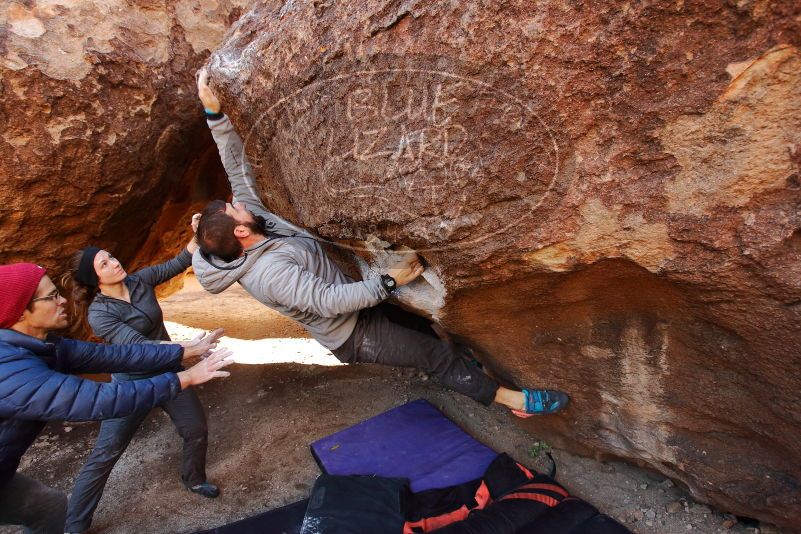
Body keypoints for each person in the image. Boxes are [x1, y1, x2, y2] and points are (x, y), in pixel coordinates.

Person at [192, 70, 569, 417]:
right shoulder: (269, 274)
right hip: (353, 334)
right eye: (234, 210)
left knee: (429, 335)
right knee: (434, 356)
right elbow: (327, 301)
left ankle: (469, 372)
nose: (239, 203)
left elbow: (237, 171)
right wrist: (389, 282)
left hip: (360, 301)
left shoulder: (258, 225)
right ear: (241, 233)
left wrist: (215, 116)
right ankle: (516, 403)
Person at [0, 263, 232, 534]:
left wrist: (185, 350)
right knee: (101, 457)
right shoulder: (11, 370)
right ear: (19, 311)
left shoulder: (44, 346)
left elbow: (115, 355)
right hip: (131, 386)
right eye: (51, 296)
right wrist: (186, 378)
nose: (62, 300)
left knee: (49, 507)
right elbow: (100, 400)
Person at [63, 224, 221, 534]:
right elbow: (138, 346)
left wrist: (196, 232)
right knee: (105, 454)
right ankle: (74, 525)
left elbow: (177, 262)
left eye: (110, 256)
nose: (114, 262)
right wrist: (189, 348)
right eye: (103, 264)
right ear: (94, 280)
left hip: (170, 373)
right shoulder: (100, 313)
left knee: (196, 428)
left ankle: (194, 479)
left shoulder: (139, 281)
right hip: (131, 384)